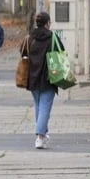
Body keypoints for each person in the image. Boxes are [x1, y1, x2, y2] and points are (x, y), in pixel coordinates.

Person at [23, 11, 56, 149]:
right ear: (47, 23)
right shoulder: (52, 38)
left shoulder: (30, 38)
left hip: (32, 77)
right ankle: (40, 137)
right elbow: (60, 53)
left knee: (38, 106)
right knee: (44, 108)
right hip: (48, 77)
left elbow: (23, 53)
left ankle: (42, 133)